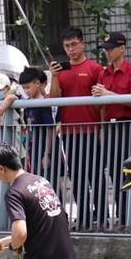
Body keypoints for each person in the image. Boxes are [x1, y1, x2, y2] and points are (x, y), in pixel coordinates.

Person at [49, 27, 106, 228]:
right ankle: (83, 216)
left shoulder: (95, 68)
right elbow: (54, 99)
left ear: (82, 43)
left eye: (74, 44)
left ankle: (101, 215)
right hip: (70, 132)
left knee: (96, 175)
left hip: (92, 131)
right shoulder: (61, 72)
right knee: (77, 176)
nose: (71, 49)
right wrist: (54, 76)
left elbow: (101, 102)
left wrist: (102, 130)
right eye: (67, 46)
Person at [92, 32, 131, 228]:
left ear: (122, 48)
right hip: (111, 126)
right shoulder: (103, 73)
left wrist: (108, 94)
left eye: (110, 48)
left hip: (127, 125)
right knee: (115, 172)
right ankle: (122, 216)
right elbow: (101, 106)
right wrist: (99, 99)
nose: (106, 52)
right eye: (105, 49)